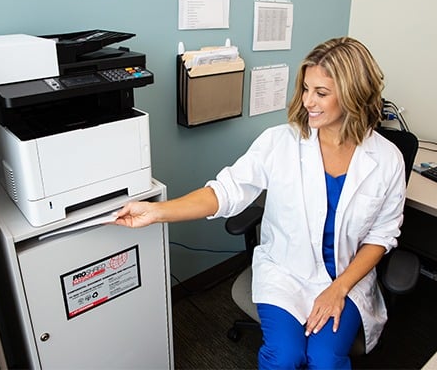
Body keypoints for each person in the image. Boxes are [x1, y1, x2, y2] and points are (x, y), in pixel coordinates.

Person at [114, 36, 406, 369]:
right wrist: (156, 211)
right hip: (286, 272)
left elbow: (381, 236)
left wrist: (339, 288)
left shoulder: (386, 159)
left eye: (321, 93)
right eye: (306, 88)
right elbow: (223, 193)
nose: (308, 101)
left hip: (346, 277)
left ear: (354, 94)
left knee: (325, 359)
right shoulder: (279, 142)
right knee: (284, 356)